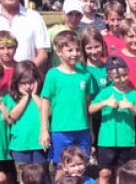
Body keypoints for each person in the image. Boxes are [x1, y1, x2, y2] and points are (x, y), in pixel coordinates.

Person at [92, 55, 136, 184]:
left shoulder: (133, 94)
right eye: (117, 77)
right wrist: (105, 103)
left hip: (126, 140)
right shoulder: (105, 92)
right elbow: (90, 109)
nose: (122, 79)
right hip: (107, 140)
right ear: (110, 77)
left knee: (121, 174)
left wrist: (131, 107)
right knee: (104, 173)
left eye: (124, 75)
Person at [40, 31, 99, 167]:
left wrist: (90, 129)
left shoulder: (86, 75)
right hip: (61, 130)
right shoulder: (53, 74)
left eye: (78, 49)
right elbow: (45, 102)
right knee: (62, 166)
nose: (75, 53)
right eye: (70, 50)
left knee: (81, 166)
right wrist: (44, 130)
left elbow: (87, 105)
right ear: (59, 52)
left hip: (82, 129)